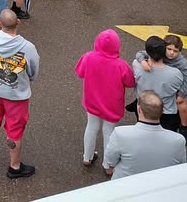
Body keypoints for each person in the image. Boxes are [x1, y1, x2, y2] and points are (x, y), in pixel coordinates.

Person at [0, 9, 39, 179]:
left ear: (0, 24)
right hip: (17, 96)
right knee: (14, 131)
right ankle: (14, 166)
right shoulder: (28, 48)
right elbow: (33, 71)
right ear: (18, 22)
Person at [74, 29, 136, 169]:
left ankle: (87, 157)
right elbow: (131, 82)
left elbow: (79, 72)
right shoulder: (121, 65)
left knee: (91, 127)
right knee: (109, 132)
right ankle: (108, 164)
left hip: (92, 101)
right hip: (111, 105)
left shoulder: (88, 57)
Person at [104, 90, 187, 179]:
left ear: (139, 109)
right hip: (160, 184)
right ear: (162, 111)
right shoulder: (178, 140)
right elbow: (181, 166)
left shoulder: (120, 134)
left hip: (125, 184)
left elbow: (110, 162)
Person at [132, 35, 185, 132]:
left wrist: (142, 61)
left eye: (175, 50)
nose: (172, 53)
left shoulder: (137, 64)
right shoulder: (176, 74)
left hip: (143, 108)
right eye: (169, 49)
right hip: (167, 113)